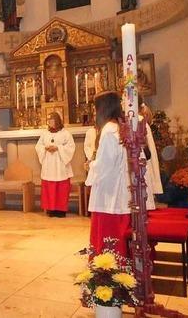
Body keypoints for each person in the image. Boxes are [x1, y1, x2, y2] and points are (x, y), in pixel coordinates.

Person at [86, 91, 130, 257]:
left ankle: (107, 266)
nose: (94, 113)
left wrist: (91, 165)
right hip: (118, 186)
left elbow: (105, 166)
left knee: (108, 231)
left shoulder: (108, 130)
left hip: (109, 193)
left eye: (96, 108)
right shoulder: (119, 126)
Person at [35, 112, 76, 218]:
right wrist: (45, 148)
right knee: (50, 188)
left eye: (52, 120)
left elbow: (71, 147)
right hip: (49, 164)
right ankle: (51, 209)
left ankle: (61, 210)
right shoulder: (45, 134)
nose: (49, 122)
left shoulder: (66, 133)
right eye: (48, 120)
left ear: (57, 120)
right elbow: (38, 146)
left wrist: (58, 148)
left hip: (60, 164)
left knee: (61, 188)